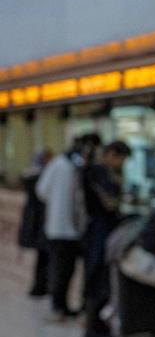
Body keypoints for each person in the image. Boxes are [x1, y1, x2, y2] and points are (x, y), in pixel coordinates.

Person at [37, 134, 100, 322]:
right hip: (61, 229)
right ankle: (59, 308)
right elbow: (42, 191)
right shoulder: (63, 165)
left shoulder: (73, 165)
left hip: (70, 228)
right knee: (61, 270)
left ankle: (64, 308)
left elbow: (42, 191)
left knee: (67, 270)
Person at [82, 141, 131, 337]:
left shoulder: (100, 172)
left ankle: (99, 323)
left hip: (103, 228)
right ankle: (94, 325)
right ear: (110, 154)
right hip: (99, 230)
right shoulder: (98, 172)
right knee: (98, 275)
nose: (121, 164)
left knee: (102, 276)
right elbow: (109, 202)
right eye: (120, 159)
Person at [18, 150, 52, 298]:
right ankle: (41, 287)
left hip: (36, 222)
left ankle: (40, 287)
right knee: (45, 256)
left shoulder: (30, 175)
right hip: (41, 222)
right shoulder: (40, 176)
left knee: (43, 256)